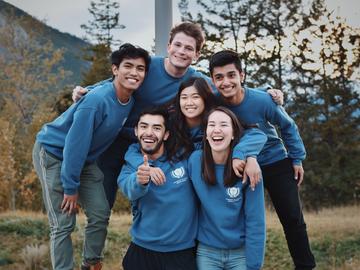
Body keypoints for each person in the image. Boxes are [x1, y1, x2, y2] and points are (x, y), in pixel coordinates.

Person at [72, 22, 284, 209]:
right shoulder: (149, 66)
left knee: (156, 191)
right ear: (169, 47)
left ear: (196, 55)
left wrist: (266, 92)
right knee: (103, 202)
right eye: (178, 45)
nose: (182, 51)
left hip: (158, 142)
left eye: (189, 48)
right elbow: (119, 79)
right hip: (119, 138)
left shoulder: (197, 82)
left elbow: (228, 88)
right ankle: (94, 253)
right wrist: (88, 90)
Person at [32, 43, 150, 270]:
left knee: (100, 212)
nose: (134, 73)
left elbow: (112, 127)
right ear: (115, 69)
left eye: (140, 68)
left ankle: (91, 263)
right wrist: (70, 187)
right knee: (63, 223)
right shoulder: (96, 101)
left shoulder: (129, 99)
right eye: (128, 66)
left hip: (83, 160)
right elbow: (73, 146)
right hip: (54, 154)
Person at [209, 50, 316, 270]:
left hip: (275, 162)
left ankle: (305, 265)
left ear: (242, 75)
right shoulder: (215, 105)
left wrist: (296, 159)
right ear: (212, 80)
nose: (226, 82)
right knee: (241, 221)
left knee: (292, 218)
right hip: (239, 166)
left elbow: (288, 126)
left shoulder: (262, 100)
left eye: (231, 75)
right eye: (219, 77)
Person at [118, 107, 198, 270]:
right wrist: (141, 179)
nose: (149, 132)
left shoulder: (184, 157)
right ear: (136, 130)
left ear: (166, 134)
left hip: (182, 253)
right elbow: (130, 188)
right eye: (144, 126)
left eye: (156, 128)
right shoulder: (130, 168)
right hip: (142, 252)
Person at [188, 106, 266, 270]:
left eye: (223, 125)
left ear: (233, 134)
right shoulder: (195, 162)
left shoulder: (249, 169)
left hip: (240, 253)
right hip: (207, 252)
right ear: (206, 134)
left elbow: (256, 222)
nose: (217, 130)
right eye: (211, 125)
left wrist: (253, 266)